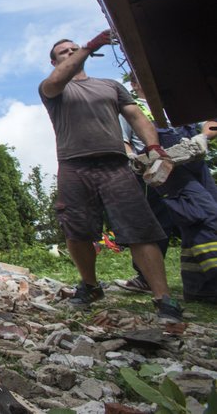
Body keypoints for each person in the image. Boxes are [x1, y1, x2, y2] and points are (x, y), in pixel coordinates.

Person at [39, 30, 182, 323]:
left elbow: (137, 118)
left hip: (116, 166)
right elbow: (56, 80)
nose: (71, 52)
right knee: (76, 230)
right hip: (73, 165)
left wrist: (154, 147)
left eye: (74, 48)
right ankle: (90, 287)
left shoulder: (110, 86)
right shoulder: (53, 88)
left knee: (139, 228)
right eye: (64, 51)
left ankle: (163, 299)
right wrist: (90, 45)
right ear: (53, 62)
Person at [118, 77, 217, 303]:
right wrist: (132, 157)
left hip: (195, 162)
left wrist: (203, 136)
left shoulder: (179, 105)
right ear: (134, 84)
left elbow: (211, 120)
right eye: (143, 77)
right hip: (164, 167)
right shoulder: (132, 108)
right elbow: (124, 141)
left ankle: (199, 288)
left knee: (193, 220)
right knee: (204, 215)